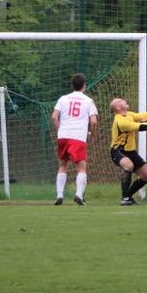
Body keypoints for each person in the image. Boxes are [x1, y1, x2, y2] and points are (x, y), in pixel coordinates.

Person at [51, 73, 99, 206]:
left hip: (63, 136)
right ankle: (79, 194)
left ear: (72, 85)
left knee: (63, 165)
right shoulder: (88, 101)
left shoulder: (63, 98)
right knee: (81, 167)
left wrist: (60, 130)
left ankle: (59, 195)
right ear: (84, 85)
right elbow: (94, 121)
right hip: (78, 137)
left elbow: (54, 116)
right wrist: (92, 136)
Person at [108, 98, 147, 205]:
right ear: (118, 107)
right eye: (121, 100)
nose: (124, 100)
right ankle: (124, 198)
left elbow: (143, 115)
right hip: (118, 151)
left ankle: (128, 196)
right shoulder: (121, 121)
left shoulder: (129, 114)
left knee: (146, 176)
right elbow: (141, 126)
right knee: (129, 166)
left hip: (131, 152)